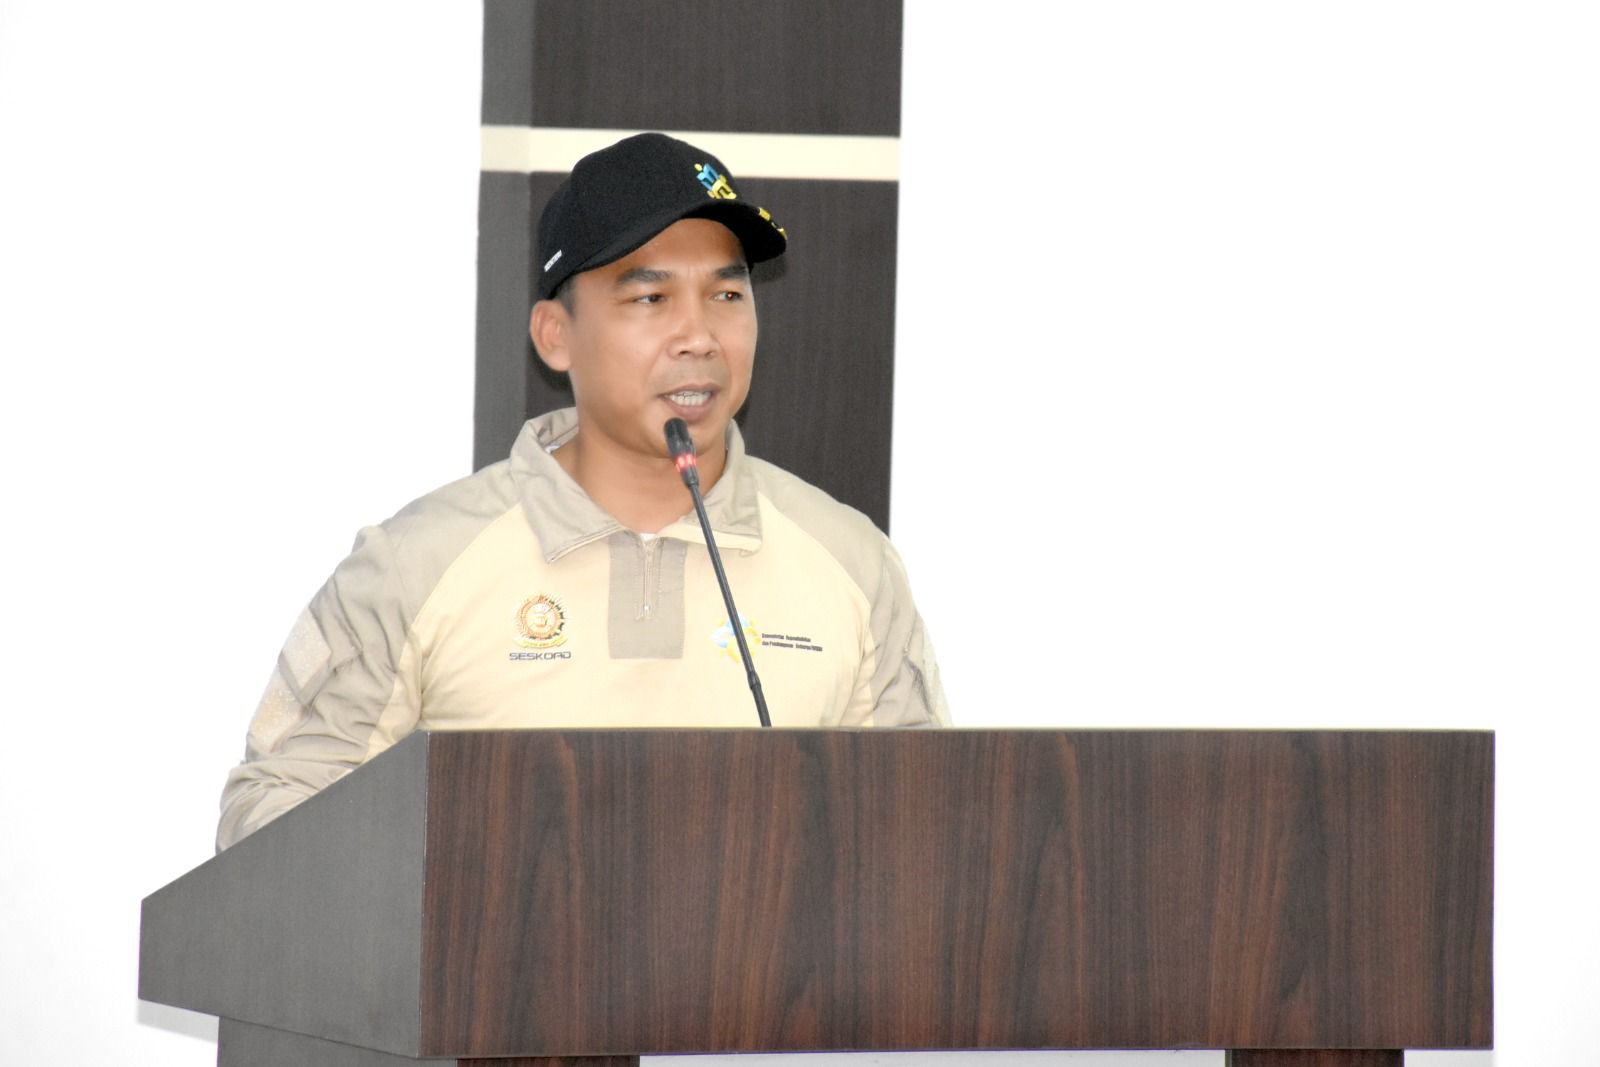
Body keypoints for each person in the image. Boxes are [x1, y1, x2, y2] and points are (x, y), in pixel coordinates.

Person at [217, 132, 949, 851]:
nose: (699, 337)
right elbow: (271, 816)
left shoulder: (852, 565)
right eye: (652, 297)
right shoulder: (416, 564)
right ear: (555, 335)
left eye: (727, 293)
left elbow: (927, 830)